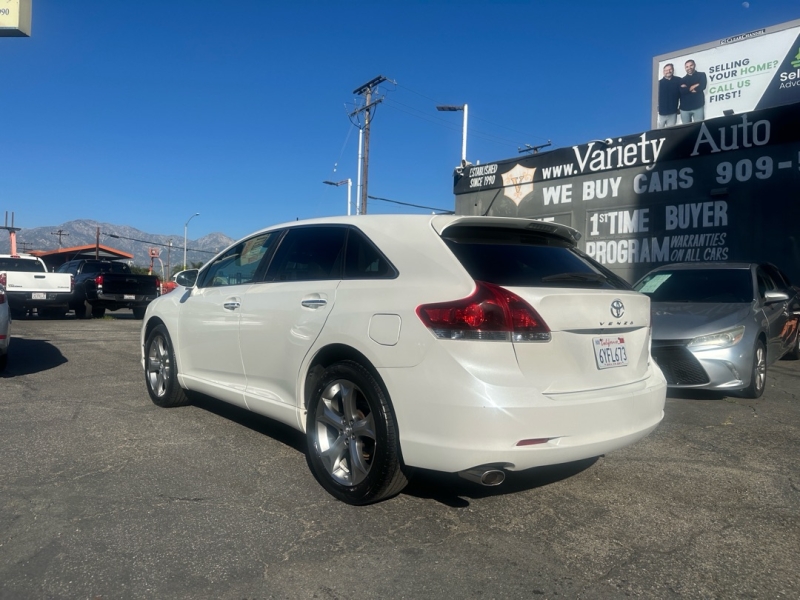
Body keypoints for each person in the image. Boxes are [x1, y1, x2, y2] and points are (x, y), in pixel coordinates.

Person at [679, 59, 707, 123]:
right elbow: (682, 91)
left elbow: (702, 86)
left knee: (699, 128)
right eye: (687, 66)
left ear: (694, 65)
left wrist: (687, 88)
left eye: (691, 65)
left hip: (698, 106)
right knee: (686, 130)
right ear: (685, 68)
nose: (689, 68)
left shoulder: (701, 75)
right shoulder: (682, 80)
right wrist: (693, 86)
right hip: (684, 109)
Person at [657, 63, 681, 128]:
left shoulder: (678, 80)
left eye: (670, 69)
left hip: (673, 113)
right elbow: (654, 98)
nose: (668, 71)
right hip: (661, 113)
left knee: (670, 132)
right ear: (663, 72)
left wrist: (680, 107)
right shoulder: (658, 83)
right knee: (659, 132)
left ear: (673, 70)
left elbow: (682, 95)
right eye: (666, 70)